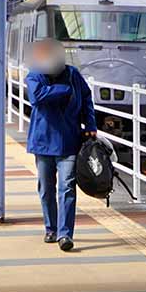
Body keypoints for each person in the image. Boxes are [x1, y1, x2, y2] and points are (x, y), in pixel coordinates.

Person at [25, 39, 96, 252]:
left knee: (67, 187)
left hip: (69, 140)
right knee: (46, 189)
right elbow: (37, 97)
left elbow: (86, 98)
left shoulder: (74, 74)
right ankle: (51, 228)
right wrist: (63, 90)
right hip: (43, 141)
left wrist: (90, 123)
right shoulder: (35, 74)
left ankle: (65, 234)